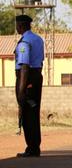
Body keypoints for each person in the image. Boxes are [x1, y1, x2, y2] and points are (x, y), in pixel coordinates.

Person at [14, 14, 45, 158]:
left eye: (17, 25)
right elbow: (41, 61)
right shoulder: (38, 39)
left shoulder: (24, 42)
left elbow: (24, 66)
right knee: (34, 112)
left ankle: (31, 148)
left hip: (26, 78)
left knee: (27, 113)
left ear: (21, 25)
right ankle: (35, 146)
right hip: (37, 76)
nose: (17, 28)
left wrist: (21, 90)